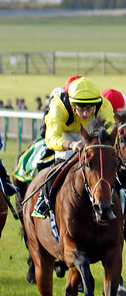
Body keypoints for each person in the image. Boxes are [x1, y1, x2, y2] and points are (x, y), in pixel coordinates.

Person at [33, 77, 116, 216]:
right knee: (62, 161)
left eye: (90, 109)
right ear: (72, 105)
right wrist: (71, 145)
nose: (85, 114)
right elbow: (51, 138)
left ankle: (121, 193)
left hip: (91, 135)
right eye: (81, 109)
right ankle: (45, 198)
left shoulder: (103, 104)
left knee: (105, 164)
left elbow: (110, 131)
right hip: (66, 135)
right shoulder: (59, 105)